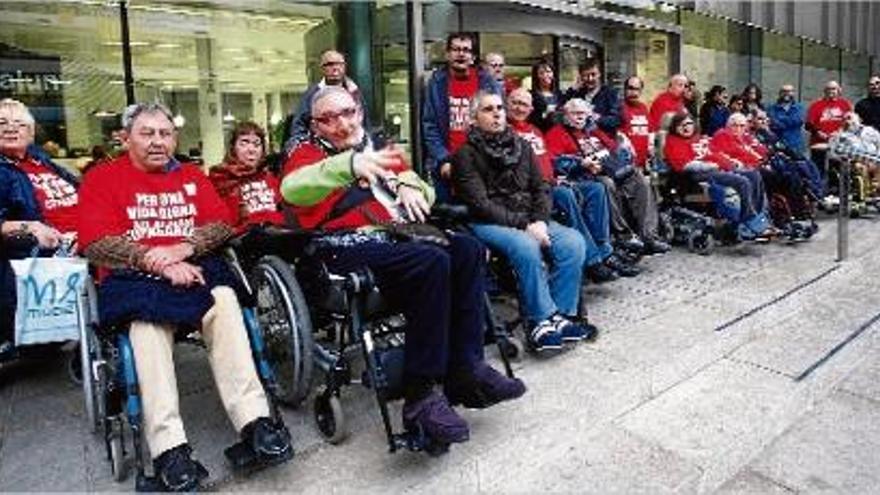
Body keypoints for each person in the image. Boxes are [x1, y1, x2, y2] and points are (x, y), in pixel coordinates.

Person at [281, 86, 526, 447]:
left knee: (469, 250)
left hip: (398, 236)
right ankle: (421, 395)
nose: (341, 123)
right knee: (430, 261)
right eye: (328, 118)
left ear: (360, 112)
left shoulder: (380, 148)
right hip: (344, 247)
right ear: (316, 125)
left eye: (347, 113)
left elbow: (423, 189)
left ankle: (466, 368)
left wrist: (410, 188)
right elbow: (292, 189)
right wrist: (347, 164)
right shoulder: (306, 154)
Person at [78, 103, 293, 491]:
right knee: (145, 325)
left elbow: (221, 224)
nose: (158, 141)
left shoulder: (191, 175)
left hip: (193, 267)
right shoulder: (102, 178)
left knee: (225, 301)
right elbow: (94, 243)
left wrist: (183, 247)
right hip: (133, 276)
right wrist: (153, 260)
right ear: (125, 138)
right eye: (147, 133)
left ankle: (255, 420)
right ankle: (169, 448)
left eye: (165, 133)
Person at [452, 90, 595, 353]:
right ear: (473, 119)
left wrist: (540, 220)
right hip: (488, 222)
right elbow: (480, 204)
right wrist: (526, 226)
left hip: (530, 218)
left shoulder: (523, 146)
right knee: (526, 247)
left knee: (573, 243)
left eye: (499, 108)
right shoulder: (464, 155)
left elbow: (541, 187)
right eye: (488, 109)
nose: (496, 113)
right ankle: (540, 319)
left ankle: (560, 316)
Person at [507, 88, 631, 282]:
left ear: (531, 109)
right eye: (514, 102)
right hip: (537, 189)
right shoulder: (507, 131)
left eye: (524, 104)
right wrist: (575, 166)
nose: (519, 107)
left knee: (597, 189)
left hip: (557, 181)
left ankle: (605, 251)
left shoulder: (535, 131)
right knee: (568, 194)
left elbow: (548, 161)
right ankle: (592, 261)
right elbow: (555, 161)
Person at [0, 98, 79, 358]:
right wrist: (31, 226)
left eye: (19, 124)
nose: (11, 128)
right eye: (2, 123)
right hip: (39, 250)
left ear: (31, 132)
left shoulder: (42, 161)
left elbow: (85, 191)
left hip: (80, 239)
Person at [546, 98, 669, 255]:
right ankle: (624, 236)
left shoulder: (593, 130)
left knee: (640, 179)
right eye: (575, 113)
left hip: (608, 169)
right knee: (607, 183)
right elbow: (554, 163)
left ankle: (649, 237)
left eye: (583, 113)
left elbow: (614, 149)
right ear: (565, 114)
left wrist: (623, 157)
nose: (579, 117)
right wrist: (581, 163)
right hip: (584, 176)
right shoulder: (556, 133)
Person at [663, 112, 770, 240]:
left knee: (754, 175)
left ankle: (757, 216)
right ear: (675, 127)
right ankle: (748, 220)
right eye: (682, 125)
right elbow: (684, 165)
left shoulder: (700, 138)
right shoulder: (673, 142)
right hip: (698, 175)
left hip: (716, 169)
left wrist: (731, 163)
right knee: (742, 182)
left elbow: (716, 153)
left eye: (689, 124)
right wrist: (710, 165)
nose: (686, 127)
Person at [422, 33, 502, 200]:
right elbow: (430, 126)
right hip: (446, 165)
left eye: (466, 50)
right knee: (450, 218)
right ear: (447, 54)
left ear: (472, 57)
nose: (461, 54)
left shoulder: (488, 83)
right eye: (456, 49)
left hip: (482, 164)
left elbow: (498, 123)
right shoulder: (436, 83)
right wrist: (443, 159)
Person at [208, 121, 285, 232]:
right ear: (233, 148)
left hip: (277, 235)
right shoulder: (221, 178)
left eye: (257, 144)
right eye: (244, 143)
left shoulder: (270, 178)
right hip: (242, 240)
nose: (251, 150)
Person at [287, 50, 369, 150]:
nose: (335, 68)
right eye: (330, 64)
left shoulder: (354, 92)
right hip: (323, 153)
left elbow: (365, 124)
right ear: (322, 68)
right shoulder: (312, 95)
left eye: (339, 64)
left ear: (344, 66)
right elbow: (298, 128)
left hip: (354, 151)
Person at [806, 80, 852, 181]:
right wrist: (818, 132)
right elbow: (808, 124)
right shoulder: (816, 105)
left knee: (837, 172)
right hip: (819, 144)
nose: (831, 91)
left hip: (839, 144)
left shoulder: (845, 104)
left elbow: (850, 122)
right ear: (824, 91)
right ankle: (819, 193)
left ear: (839, 90)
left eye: (834, 89)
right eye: (828, 89)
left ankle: (835, 192)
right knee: (818, 172)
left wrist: (840, 132)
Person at [561, 56, 621, 134]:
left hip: (604, 141)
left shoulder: (610, 93)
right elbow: (563, 108)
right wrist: (573, 89)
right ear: (581, 76)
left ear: (599, 74)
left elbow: (616, 120)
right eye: (586, 75)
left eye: (593, 74)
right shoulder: (577, 93)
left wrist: (597, 118)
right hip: (579, 140)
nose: (590, 78)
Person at [620, 76, 652, 169]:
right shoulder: (618, 107)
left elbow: (650, 131)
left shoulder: (643, 108)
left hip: (642, 164)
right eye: (630, 88)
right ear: (625, 89)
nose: (634, 93)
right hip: (626, 164)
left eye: (637, 89)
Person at [767, 84, 807, 154]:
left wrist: (780, 120)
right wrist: (789, 121)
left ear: (793, 93)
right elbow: (773, 124)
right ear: (780, 93)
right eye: (784, 91)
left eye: (789, 91)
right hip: (778, 145)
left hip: (795, 146)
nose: (787, 94)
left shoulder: (799, 108)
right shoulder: (772, 108)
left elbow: (798, 121)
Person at [528, 59, 562, 132]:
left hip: (558, 133)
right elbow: (530, 118)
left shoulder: (559, 94)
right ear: (536, 76)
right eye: (541, 73)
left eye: (548, 72)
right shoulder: (531, 95)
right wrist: (545, 114)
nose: (545, 75)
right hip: (539, 131)